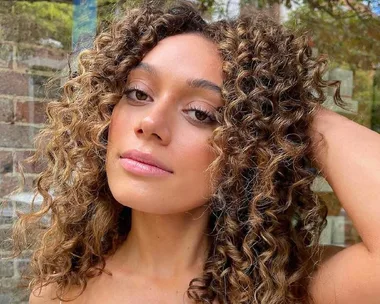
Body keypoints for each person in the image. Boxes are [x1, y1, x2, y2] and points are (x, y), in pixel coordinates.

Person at [8, 0, 380, 303]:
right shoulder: (62, 290)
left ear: (248, 147)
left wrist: (287, 110)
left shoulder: (294, 287)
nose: (150, 122)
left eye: (201, 113)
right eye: (138, 93)